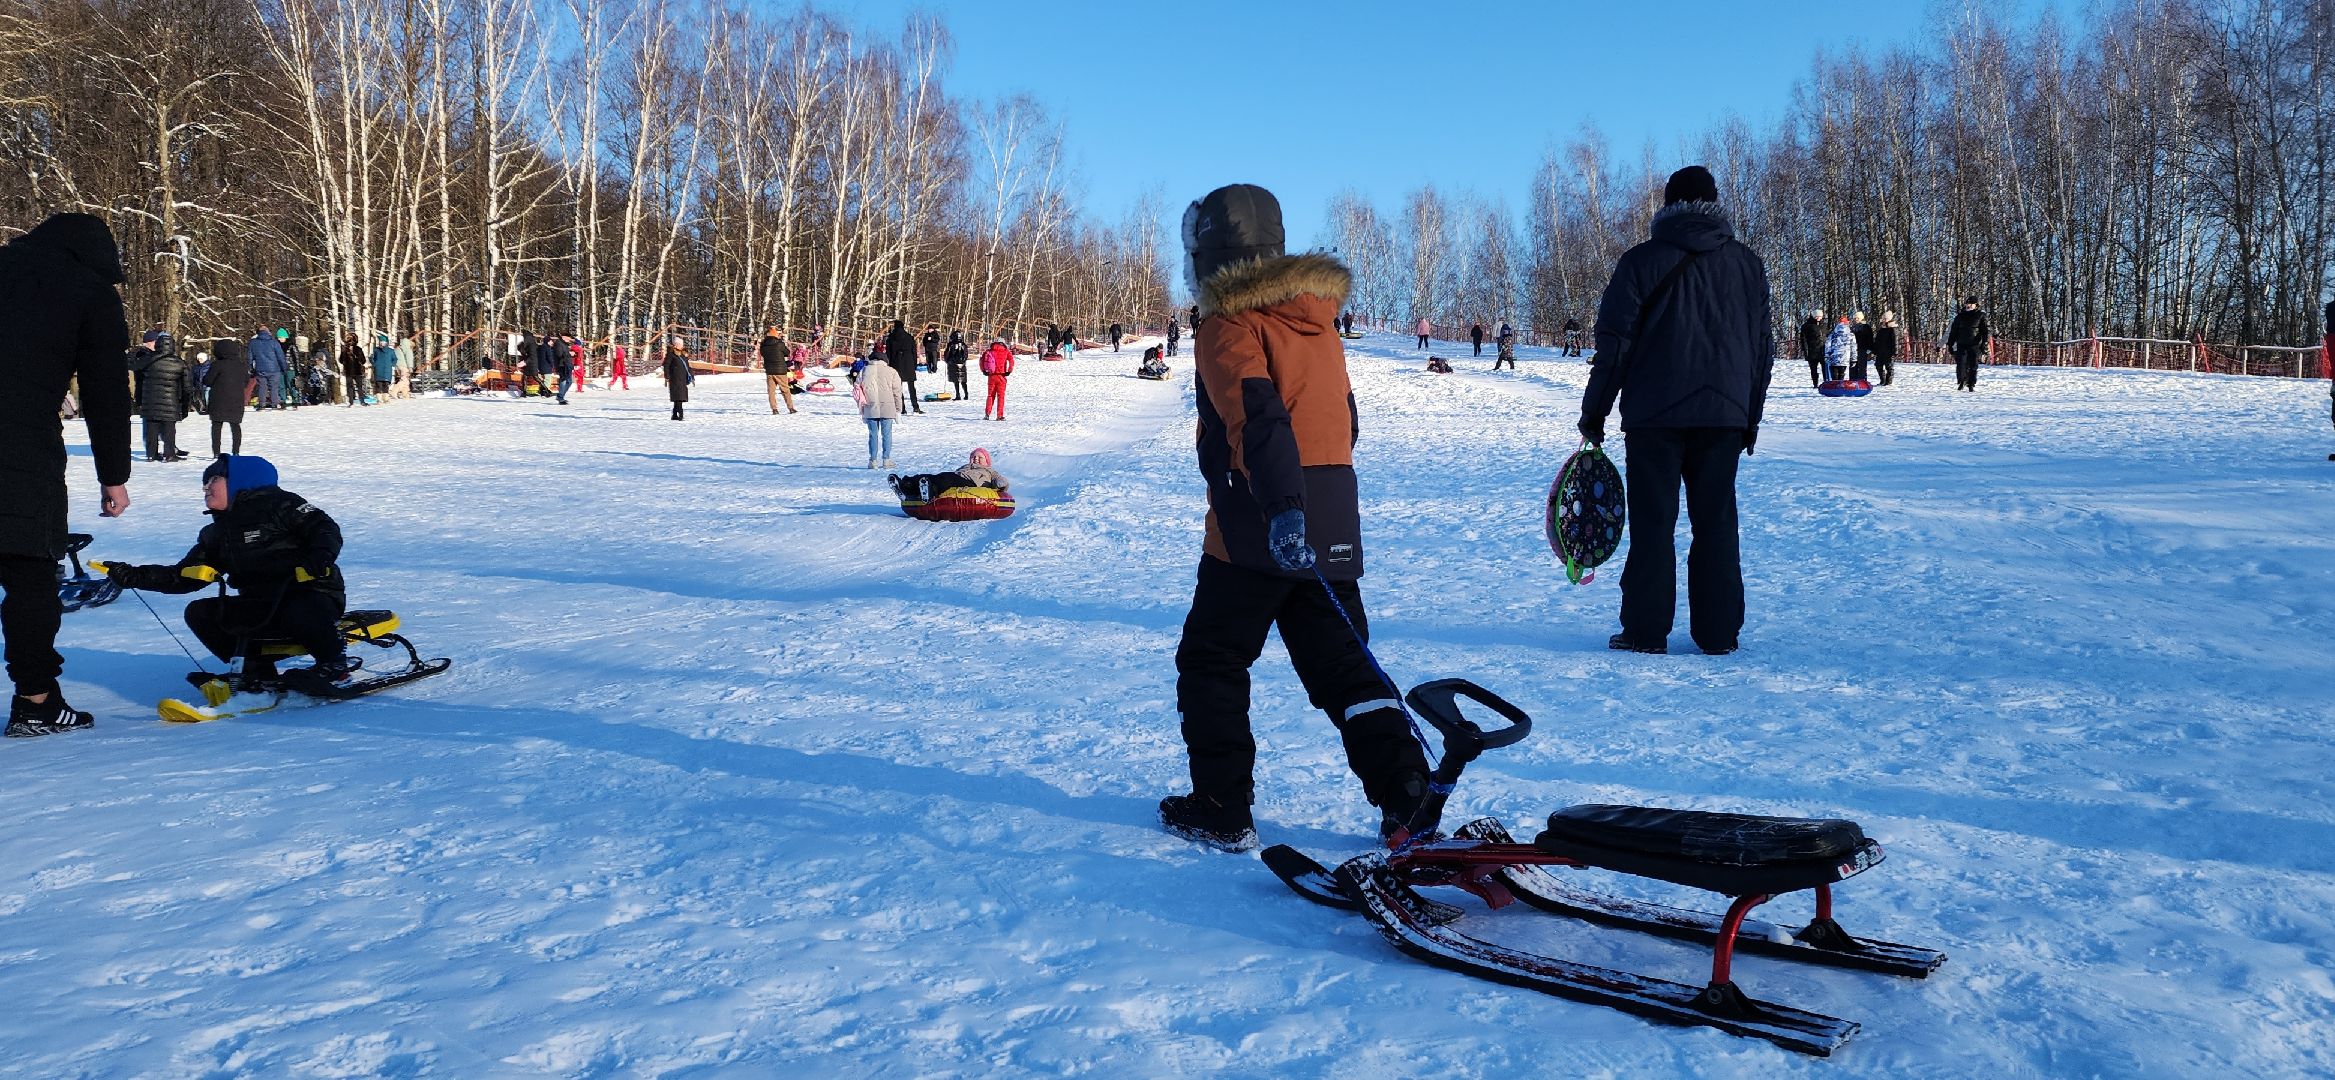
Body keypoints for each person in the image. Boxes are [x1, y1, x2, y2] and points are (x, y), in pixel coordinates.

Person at [1162, 182, 1431, 853]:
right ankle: (1406, 798)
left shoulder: (1228, 325)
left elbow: (1257, 417)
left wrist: (1281, 508)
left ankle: (1221, 806)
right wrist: (1315, 503)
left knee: (1210, 659)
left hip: (1258, 518)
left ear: (1210, 253)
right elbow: (1345, 418)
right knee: (1344, 668)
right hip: (1331, 508)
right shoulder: (1313, 319)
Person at [1576, 165, 1772, 658]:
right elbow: (1760, 350)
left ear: (1667, 206)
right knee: (1717, 524)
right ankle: (1719, 633)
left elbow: (1615, 346)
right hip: (1723, 416)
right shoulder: (1747, 264)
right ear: (1714, 203)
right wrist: (1749, 416)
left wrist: (1594, 413)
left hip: (1653, 416)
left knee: (1653, 524)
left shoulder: (1640, 261)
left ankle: (1645, 630)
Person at [0, 213, 133, 737]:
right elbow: (105, 394)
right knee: (31, 576)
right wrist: (114, 474)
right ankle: (35, 702)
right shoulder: (89, 291)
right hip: (21, 451)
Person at [104, 455, 356, 687]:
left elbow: (324, 528)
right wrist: (136, 576)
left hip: (312, 592)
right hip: (260, 604)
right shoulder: (217, 533)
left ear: (241, 481)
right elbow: (184, 575)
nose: (205, 488)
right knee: (201, 612)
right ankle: (255, 670)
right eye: (204, 483)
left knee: (296, 606)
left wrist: (319, 557)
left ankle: (333, 664)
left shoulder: (281, 504)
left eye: (213, 479)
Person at [128, 332, 191, 461]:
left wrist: (132, 353)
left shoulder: (148, 359)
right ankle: (169, 454)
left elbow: (131, 365)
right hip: (170, 401)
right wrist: (184, 407)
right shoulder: (179, 363)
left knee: (151, 427)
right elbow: (187, 387)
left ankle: (152, 454)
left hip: (150, 401)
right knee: (169, 428)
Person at [891, 447, 1010, 500]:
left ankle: (932, 492)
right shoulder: (964, 467)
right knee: (930, 477)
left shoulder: (989, 471)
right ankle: (906, 486)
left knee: (947, 479)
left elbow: (1000, 481)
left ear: (987, 461)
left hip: (972, 484)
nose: (976, 459)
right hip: (957, 477)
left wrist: (1001, 483)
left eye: (980, 457)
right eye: (973, 457)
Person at [856, 341, 905, 468]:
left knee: (872, 434)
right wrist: (898, 410)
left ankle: (872, 461)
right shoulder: (892, 371)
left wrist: (861, 409)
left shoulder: (864, 370)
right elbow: (897, 392)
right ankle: (886, 460)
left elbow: (857, 390)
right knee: (887, 434)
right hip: (888, 407)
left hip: (869, 407)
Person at [205, 337, 250, 456]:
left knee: (216, 426)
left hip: (218, 400)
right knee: (235, 425)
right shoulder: (241, 366)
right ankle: (236, 451)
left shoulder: (217, 365)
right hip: (236, 400)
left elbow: (207, 381)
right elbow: (246, 381)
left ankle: (216, 452)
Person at [1947, 296, 1989, 391]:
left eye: (1971, 304)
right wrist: (1950, 344)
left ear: (1976, 305)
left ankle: (1971, 384)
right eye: (1967, 303)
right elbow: (1953, 331)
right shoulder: (1960, 316)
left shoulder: (1980, 315)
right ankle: (1962, 381)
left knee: (1973, 365)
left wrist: (1984, 343)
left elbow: (1985, 331)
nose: (1968, 305)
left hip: (1974, 344)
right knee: (1961, 363)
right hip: (1961, 344)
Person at [884, 318, 923, 414]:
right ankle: (915, 407)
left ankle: (902, 408)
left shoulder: (890, 338)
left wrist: (889, 365)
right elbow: (914, 352)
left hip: (895, 364)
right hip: (908, 363)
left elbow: (888, 354)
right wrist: (914, 364)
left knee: (898, 388)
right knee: (911, 387)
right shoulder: (909, 337)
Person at [249, 325, 287, 409]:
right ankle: (274, 403)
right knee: (274, 387)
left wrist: (251, 368)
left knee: (262, 386)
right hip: (274, 369)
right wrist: (284, 368)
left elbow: (250, 357)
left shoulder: (253, 343)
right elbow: (280, 356)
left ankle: (262, 404)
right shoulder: (274, 342)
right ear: (268, 332)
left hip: (260, 368)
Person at [759, 326, 795, 414]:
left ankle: (774, 409)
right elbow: (787, 353)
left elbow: (762, 354)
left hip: (769, 371)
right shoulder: (779, 344)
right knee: (785, 390)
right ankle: (790, 408)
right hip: (780, 371)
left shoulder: (763, 345)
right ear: (776, 335)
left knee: (771, 391)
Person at [979, 335, 1014, 420]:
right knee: (1001, 396)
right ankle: (999, 415)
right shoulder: (1006, 351)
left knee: (990, 395)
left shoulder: (989, 351)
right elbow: (1011, 361)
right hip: (1001, 376)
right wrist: (1009, 371)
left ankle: (987, 414)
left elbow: (981, 361)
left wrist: (983, 370)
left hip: (991, 376)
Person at [662, 338, 692, 420]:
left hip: (682, 379)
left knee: (680, 397)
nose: (682, 346)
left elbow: (688, 367)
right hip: (674, 379)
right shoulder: (671, 354)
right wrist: (667, 376)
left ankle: (675, 414)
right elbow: (666, 365)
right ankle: (680, 413)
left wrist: (691, 376)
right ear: (676, 345)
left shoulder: (683, 355)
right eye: (680, 344)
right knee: (678, 397)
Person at [1798, 309, 1826, 388]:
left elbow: (1827, 337)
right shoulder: (1806, 326)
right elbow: (1803, 340)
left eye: (1820, 316)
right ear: (1813, 316)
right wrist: (1806, 352)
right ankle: (1815, 384)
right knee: (1813, 369)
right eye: (1817, 316)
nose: (1818, 318)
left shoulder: (1824, 325)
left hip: (1823, 351)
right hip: (1812, 351)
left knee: (1825, 369)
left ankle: (1826, 382)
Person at [338, 333, 368, 405]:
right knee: (360, 386)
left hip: (348, 370)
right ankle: (362, 401)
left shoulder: (344, 350)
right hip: (358, 370)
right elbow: (363, 361)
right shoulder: (358, 349)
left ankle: (351, 402)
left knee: (349, 387)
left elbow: (341, 360)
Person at [1824, 315, 1856, 382]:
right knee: (1842, 374)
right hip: (1844, 358)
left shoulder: (1832, 334)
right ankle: (1840, 386)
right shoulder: (1851, 335)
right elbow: (1853, 347)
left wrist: (1827, 356)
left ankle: (1834, 387)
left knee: (1834, 375)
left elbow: (1827, 346)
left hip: (1833, 357)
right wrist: (1853, 359)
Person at [1872, 311, 1900, 386]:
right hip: (1880, 351)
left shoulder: (1893, 329)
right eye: (1883, 318)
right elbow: (1877, 341)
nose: (1884, 320)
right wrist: (1874, 349)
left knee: (1889, 367)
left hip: (1889, 351)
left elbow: (1895, 341)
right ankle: (1882, 380)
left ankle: (1889, 382)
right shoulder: (1881, 329)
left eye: (1885, 318)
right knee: (1878, 366)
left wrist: (1895, 351)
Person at [369, 333, 398, 403]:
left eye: (383, 342)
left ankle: (385, 399)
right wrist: (374, 363)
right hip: (379, 370)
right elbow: (371, 358)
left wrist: (392, 365)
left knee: (385, 385)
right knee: (379, 385)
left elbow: (395, 359)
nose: (382, 343)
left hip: (386, 370)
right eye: (381, 342)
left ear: (386, 342)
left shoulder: (390, 351)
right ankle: (380, 399)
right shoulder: (376, 350)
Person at [943, 330, 970, 401]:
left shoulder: (951, 344)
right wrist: (963, 361)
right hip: (962, 364)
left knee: (956, 380)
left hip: (953, 364)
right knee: (963, 380)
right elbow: (966, 355)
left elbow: (947, 354)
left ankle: (958, 395)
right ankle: (966, 394)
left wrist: (947, 361)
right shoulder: (963, 344)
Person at [1847, 311, 1873, 383]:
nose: (1856, 319)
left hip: (1863, 349)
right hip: (1853, 350)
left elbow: (1870, 338)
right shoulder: (1852, 328)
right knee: (1853, 365)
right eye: (1855, 318)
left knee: (1862, 366)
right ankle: (1852, 381)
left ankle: (1862, 381)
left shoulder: (1866, 327)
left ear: (1861, 318)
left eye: (1858, 318)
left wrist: (1869, 348)